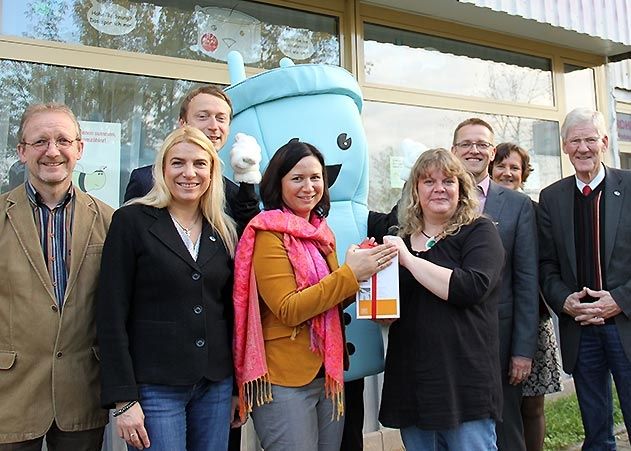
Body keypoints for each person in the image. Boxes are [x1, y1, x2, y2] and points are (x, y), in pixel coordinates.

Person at [232, 140, 397, 451]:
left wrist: (361, 271)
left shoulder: (322, 232)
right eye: (297, 178)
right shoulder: (268, 233)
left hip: (329, 373)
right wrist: (349, 274)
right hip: (285, 379)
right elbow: (289, 308)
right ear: (277, 183)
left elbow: (330, 297)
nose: (308, 187)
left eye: (315, 177)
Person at [96, 126, 239, 451]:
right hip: (154, 386)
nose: (189, 173)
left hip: (215, 384)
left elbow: (228, 310)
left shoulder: (223, 229)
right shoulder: (131, 221)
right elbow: (110, 313)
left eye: (200, 164)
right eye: (178, 163)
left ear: (212, 171)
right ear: (162, 169)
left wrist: (235, 388)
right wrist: (123, 399)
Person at [0, 103, 113, 449]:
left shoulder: (111, 221)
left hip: (82, 391)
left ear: (80, 148)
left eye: (63, 140)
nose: (52, 151)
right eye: (40, 142)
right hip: (10, 395)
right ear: (21, 152)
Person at [379, 148, 504, 449]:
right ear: (415, 191)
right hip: (413, 383)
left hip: (464, 383)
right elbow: (390, 311)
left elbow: (471, 286)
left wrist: (408, 259)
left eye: (448, 181)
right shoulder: (401, 239)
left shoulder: (479, 232)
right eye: (428, 181)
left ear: (461, 189)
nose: (439, 188)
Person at [538, 107, 631, 450]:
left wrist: (617, 300)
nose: (583, 148)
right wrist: (564, 301)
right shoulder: (551, 198)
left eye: (590, 139)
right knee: (596, 431)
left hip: (625, 324)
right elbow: (546, 264)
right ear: (564, 146)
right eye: (575, 141)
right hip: (581, 329)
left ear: (604, 142)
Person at [451, 118, 539, 451]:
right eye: (466, 144)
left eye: (482, 144)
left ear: (492, 152)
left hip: (500, 341)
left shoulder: (516, 205)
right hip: (450, 337)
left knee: (507, 430)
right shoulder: (437, 195)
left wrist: (522, 351)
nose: (473, 150)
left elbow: (526, 281)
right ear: (454, 150)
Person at [489, 142, 562, 451]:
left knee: (531, 405)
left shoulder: (532, 209)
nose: (507, 172)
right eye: (501, 166)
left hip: (533, 320)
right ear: (491, 169)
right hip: (500, 320)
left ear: (523, 174)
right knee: (502, 406)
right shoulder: (481, 209)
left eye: (514, 167)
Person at [124, 84, 260, 233]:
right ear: (183, 123)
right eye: (203, 116)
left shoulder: (231, 192)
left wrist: (247, 181)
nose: (214, 126)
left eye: (221, 118)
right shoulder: (145, 181)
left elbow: (247, 241)